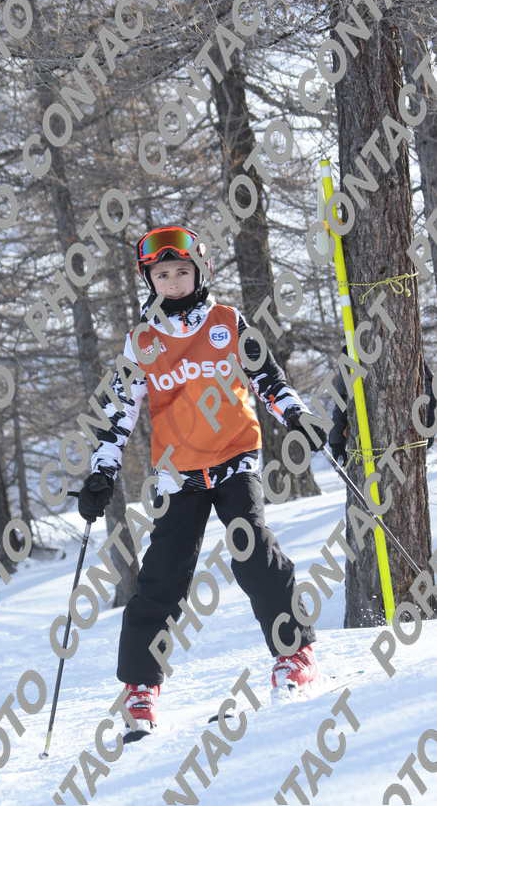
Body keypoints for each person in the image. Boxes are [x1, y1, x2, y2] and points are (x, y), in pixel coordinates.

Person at [77, 225, 328, 735]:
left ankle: (294, 655)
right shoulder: (142, 341)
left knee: (255, 553)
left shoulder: (227, 322)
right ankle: (140, 688)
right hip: (179, 472)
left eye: (181, 271)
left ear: (201, 272)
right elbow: (120, 410)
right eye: (161, 275)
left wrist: (296, 415)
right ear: (149, 280)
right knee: (162, 578)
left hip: (234, 457)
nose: (172, 282)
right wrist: (101, 472)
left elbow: (268, 379)